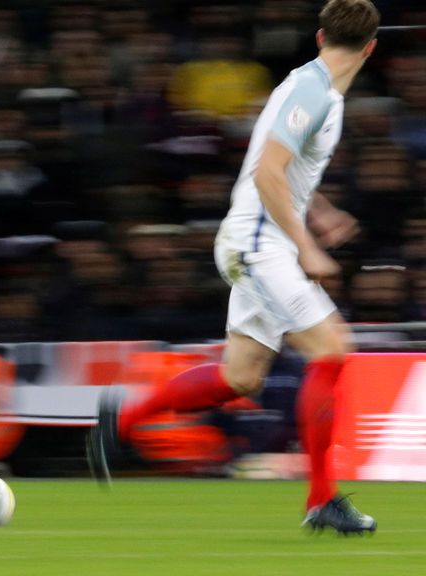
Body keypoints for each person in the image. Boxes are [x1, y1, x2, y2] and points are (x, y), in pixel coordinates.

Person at [93, 0, 380, 536]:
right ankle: (322, 500)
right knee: (333, 350)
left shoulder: (314, 90)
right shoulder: (313, 93)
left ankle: (121, 421)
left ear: (320, 37)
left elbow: (278, 169)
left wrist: (321, 212)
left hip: (260, 239)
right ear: (371, 48)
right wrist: (308, 246)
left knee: (240, 378)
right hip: (258, 241)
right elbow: (270, 175)